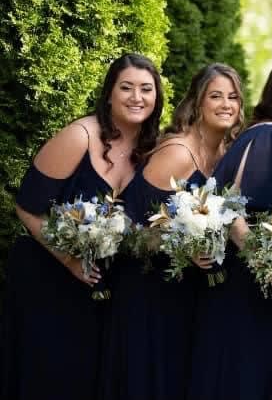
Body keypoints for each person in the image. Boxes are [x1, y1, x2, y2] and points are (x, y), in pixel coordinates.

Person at [0, 53, 163, 400]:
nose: (137, 97)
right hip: (46, 276)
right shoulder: (79, 137)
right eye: (127, 88)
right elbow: (26, 207)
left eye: (146, 89)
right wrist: (68, 259)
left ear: (157, 97)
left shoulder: (151, 149)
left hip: (99, 289)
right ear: (109, 94)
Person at [99, 62, 244, 399]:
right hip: (147, 292)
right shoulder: (177, 152)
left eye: (233, 97)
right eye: (216, 96)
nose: (225, 104)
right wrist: (182, 246)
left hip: (189, 294)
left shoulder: (226, 152)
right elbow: (129, 227)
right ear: (198, 102)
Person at [186, 58, 272, 400]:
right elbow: (230, 205)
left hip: (269, 287)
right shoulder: (269, 135)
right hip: (249, 288)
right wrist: (265, 264)